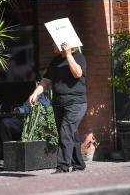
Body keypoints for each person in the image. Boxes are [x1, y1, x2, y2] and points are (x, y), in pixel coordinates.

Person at [29, 42, 87, 174]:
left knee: (65, 132)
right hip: (59, 103)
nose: (52, 44)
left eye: (55, 42)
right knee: (71, 133)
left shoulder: (78, 57)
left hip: (75, 103)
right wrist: (35, 93)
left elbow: (78, 74)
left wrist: (68, 55)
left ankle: (62, 167)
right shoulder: (55, 61)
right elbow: (46, 80)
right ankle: (78, 164)